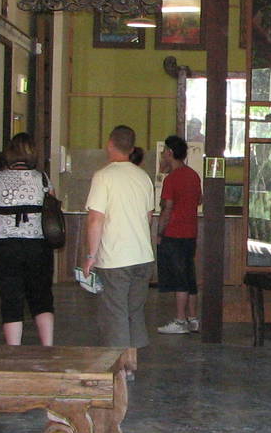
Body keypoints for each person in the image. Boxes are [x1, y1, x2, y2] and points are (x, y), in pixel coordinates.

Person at [82, 125, 157, 374]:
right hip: (143, 257)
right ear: (132, 148)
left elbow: (95, 219)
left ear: (110, 144)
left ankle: (120, 369)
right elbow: (148, 217)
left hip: (116, 257)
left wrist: (91, 255)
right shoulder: (143, 177)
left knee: (115, 314)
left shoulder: (104, 176)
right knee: (133, 311)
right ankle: (131, 364)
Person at [0, 132, 56, 346]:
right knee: (41, 296)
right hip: (38, 246)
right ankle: (48, 346)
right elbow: (52, 212)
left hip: (7, 247)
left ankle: (14, 350)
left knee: (11, 298)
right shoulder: (42, 179)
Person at [156, 134, 202, 335]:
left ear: (170, 153)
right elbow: (199, 200)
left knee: (179, 278)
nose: (162, 156)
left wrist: (160, 232)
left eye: (164, 152)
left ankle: (180, 320)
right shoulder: (193, 175)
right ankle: (193, 318)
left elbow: (167, 208)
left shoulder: (172, 179)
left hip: (174, 233)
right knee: (189, 276)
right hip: (191, 233)